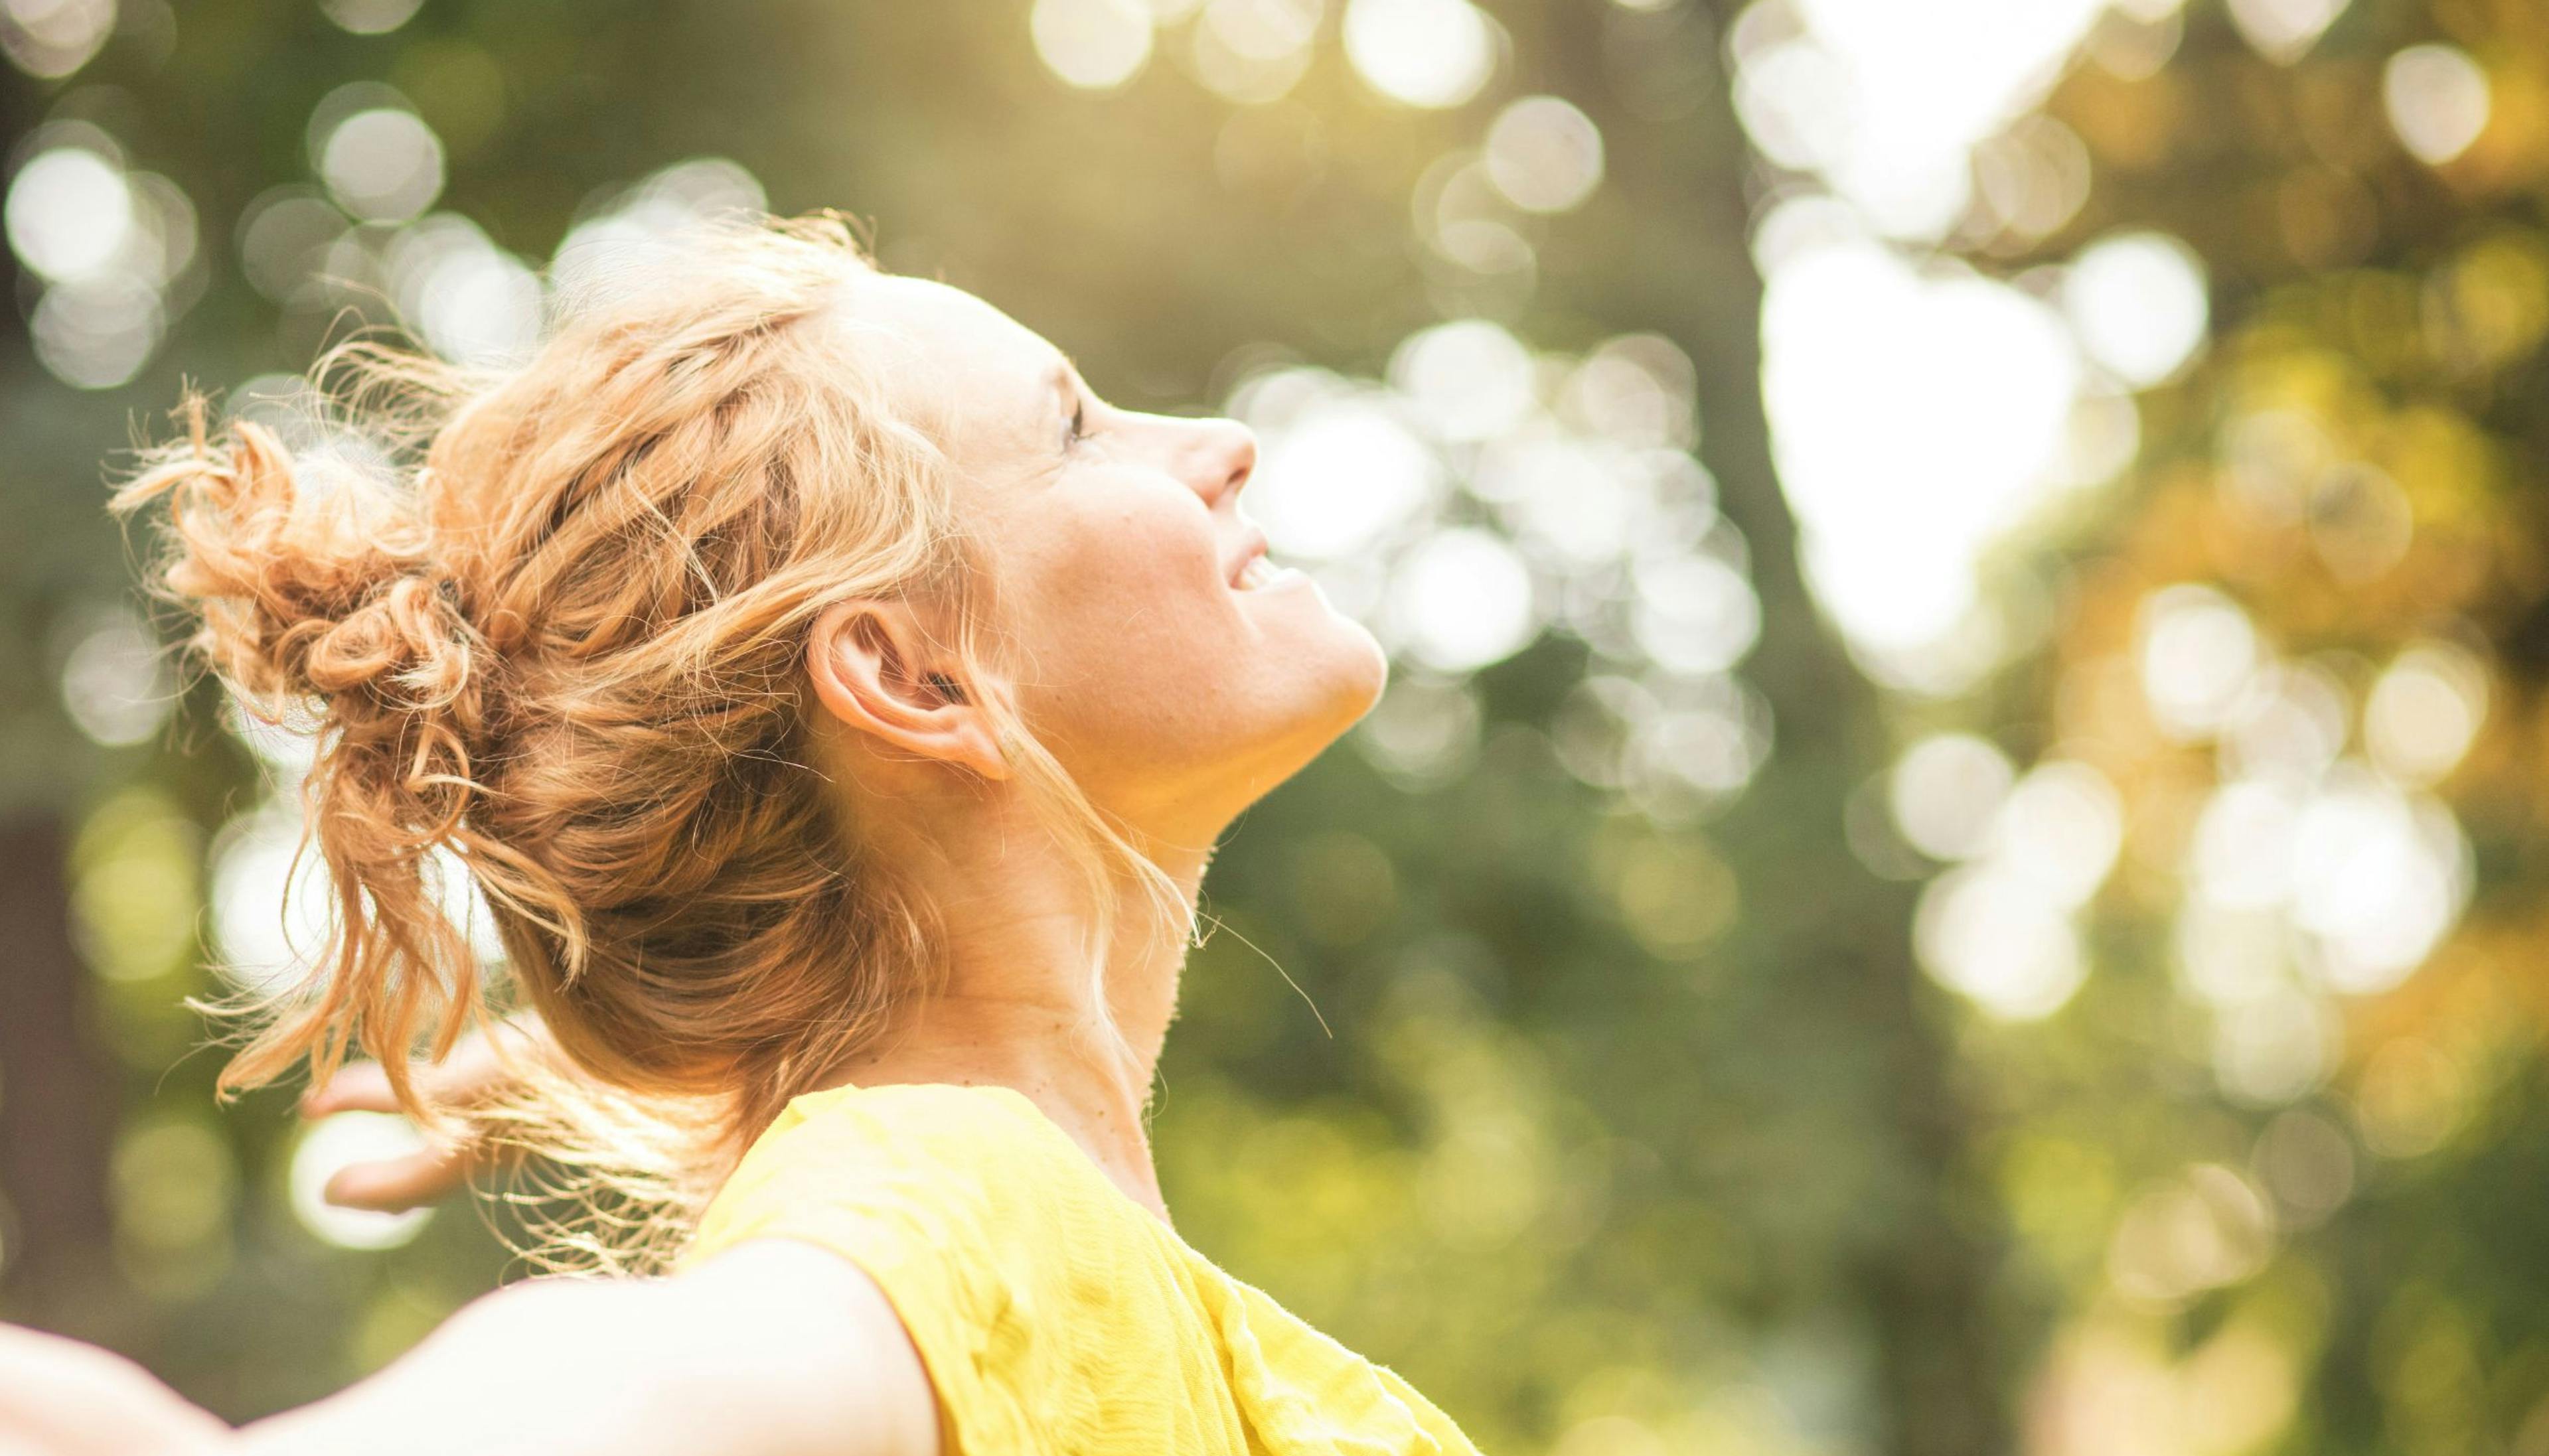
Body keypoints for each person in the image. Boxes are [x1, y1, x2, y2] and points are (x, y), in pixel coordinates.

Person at [0, 214, 1480, 1456]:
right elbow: (662, 1381)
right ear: (910, 676)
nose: (1219, 442)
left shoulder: (997, 1222)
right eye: (1077, 427)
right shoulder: (949, 1215)